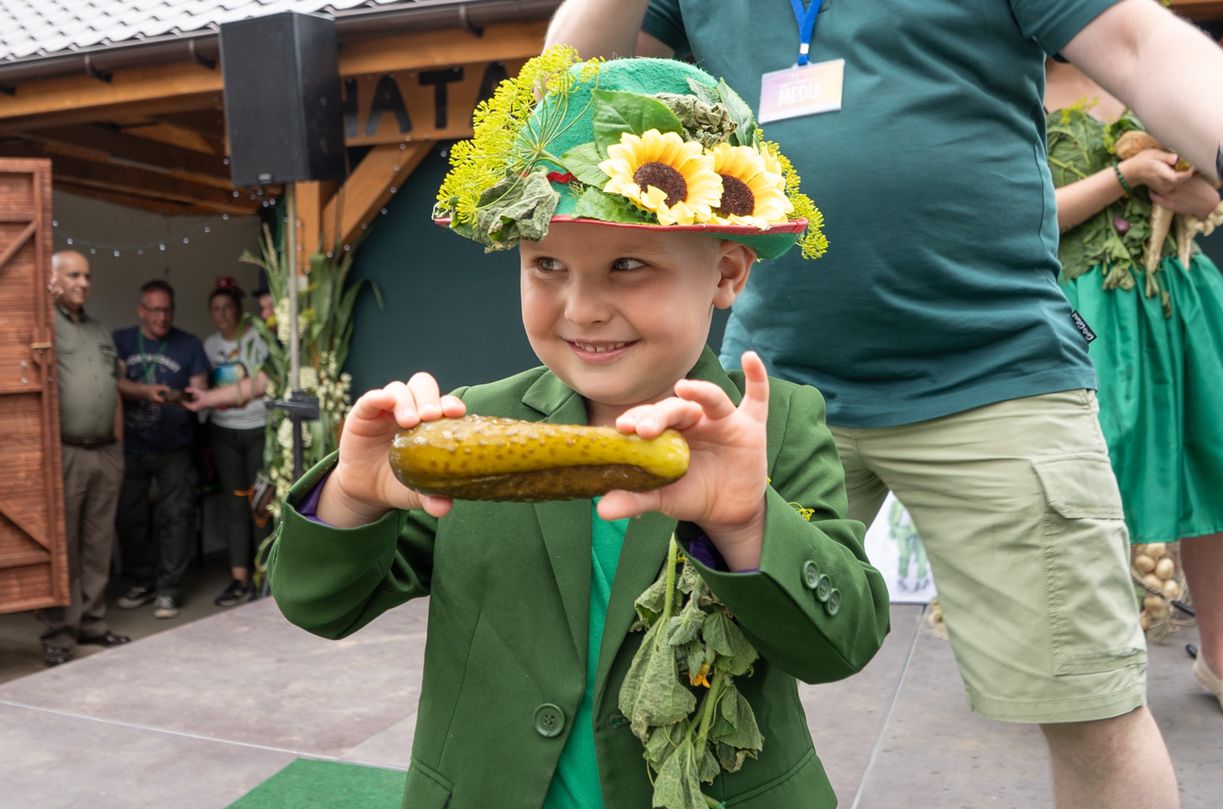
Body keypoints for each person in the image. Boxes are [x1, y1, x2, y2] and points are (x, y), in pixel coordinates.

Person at [545, 0, 1223, 805]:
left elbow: (1138, 42)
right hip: (768, 387)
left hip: (997, 377)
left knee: (1090, 710)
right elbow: (567, 94)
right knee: (680, 684)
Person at [268, 54, 891, 808]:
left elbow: (842, 639)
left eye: (627, 264)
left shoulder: (780, 425)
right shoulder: (472, 424)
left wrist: (747, 521)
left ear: (727, 273)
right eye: (546, 265)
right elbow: (319, 603)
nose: (581, 307)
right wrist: (353, 497)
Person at [1045, 60, 1223, 724]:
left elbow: (1211, 203)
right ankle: (1096, 664)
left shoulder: (1150, 77)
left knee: (1210, 466)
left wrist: (1185, 191)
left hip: (1181, 300)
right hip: (1086, 310)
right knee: (1089, 486)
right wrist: (1128, 176)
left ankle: (1220, 656)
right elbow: (1025, 215)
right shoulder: (1018, 85)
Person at [36, 251, 130, 667]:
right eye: (73, 275)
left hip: (105, 453)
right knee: (66, 547)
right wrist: (39, 298)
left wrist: (118, 449)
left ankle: (93, 622)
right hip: (67, 453)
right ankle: (62, 632)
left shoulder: (99, 330)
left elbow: (114, 391)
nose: (83, 282)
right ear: (54, 279)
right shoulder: (43, 324)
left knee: (98, 543)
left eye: (87, 275)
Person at [113, 279, 211, 619]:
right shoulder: (122, 340)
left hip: (175, 447)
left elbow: (199, 390)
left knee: (176, 518)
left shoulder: (189, 345)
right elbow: (116, 383)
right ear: (141, 310)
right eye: (155, 309)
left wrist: (179, 396)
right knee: (129, 518)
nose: (162, 316)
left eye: (167, 309)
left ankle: (168, 589)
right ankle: (142, 580)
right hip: (132, 446)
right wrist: (145, 392)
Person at [182, 277, 271, 606]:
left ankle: (265, 576)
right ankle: (239, 579)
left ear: (238, 311)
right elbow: (204, 391)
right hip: (224, 434)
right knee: (235, 505)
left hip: (258, 430)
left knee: (260, 504)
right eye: (216, 309)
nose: (222, 315)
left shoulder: (259, 340)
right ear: (210, 313)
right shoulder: (208, 347)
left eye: (228, 308)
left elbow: (261, 384)